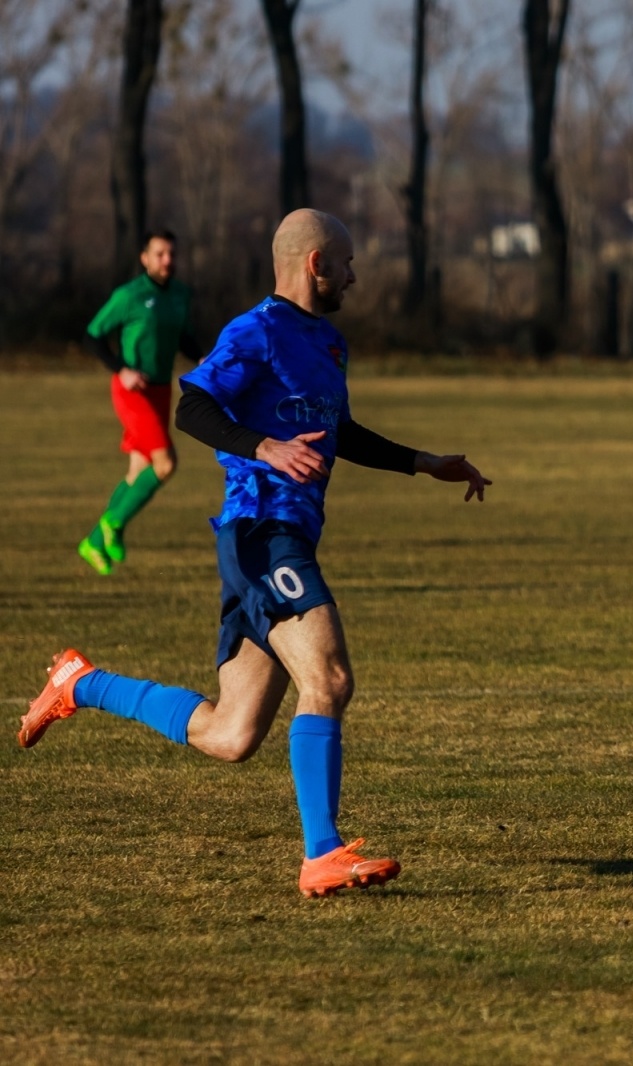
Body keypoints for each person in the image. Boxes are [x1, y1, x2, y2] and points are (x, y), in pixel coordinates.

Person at [18, 209, 492, 898]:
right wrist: (265, 447)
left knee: (230, 734)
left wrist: (424, 462)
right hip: (260, 533)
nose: (355, 277)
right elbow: (193, 406)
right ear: (315, 264)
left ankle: (78, 683)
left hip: (281, 538)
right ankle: (321, 853)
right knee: (328, 677)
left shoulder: (328, 343)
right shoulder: (255, 331)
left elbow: (339, 431)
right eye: (347, 263)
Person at [78, 230, 203, 575]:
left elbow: (184, 338)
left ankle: (93, 542)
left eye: (171, 254)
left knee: (138, 471)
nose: (167, 260)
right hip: (133, 391)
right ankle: (113, 523)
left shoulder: (180, 294)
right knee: (165, 464)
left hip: (162, 392)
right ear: (145, 258)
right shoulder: (129, 295)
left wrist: (202, 358)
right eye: (160, 254)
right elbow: (92, 336)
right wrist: (122, 369)